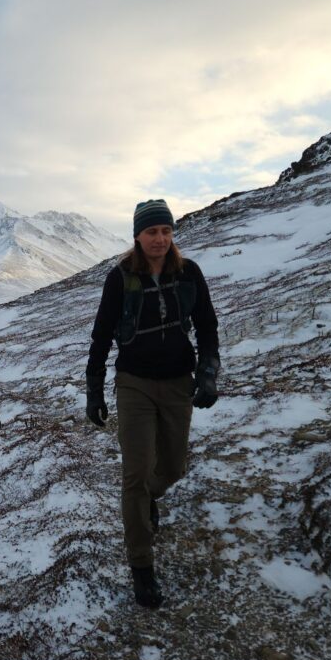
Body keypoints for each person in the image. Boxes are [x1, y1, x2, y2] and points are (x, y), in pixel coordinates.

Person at [85, 198, 220, 608]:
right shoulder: (121, 277)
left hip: (179, 380)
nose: (159, 239)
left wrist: (208, 373)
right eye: (151, 232)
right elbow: (102, 335)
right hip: (134, 384)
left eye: (165, 231)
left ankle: (148, 500)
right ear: (137, 236)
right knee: (135, 475)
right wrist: (94, 389)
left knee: (174, 468)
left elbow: (208, 326)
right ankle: (142, 568)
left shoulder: (188, 273)